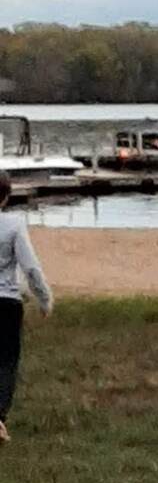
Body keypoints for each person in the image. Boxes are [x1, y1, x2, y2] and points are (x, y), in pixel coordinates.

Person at [0, 176, 55, 443]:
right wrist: (44, 299)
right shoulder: (13, 225)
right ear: (6, 197)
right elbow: (30, 267)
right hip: (7, 302)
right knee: (7, 362)